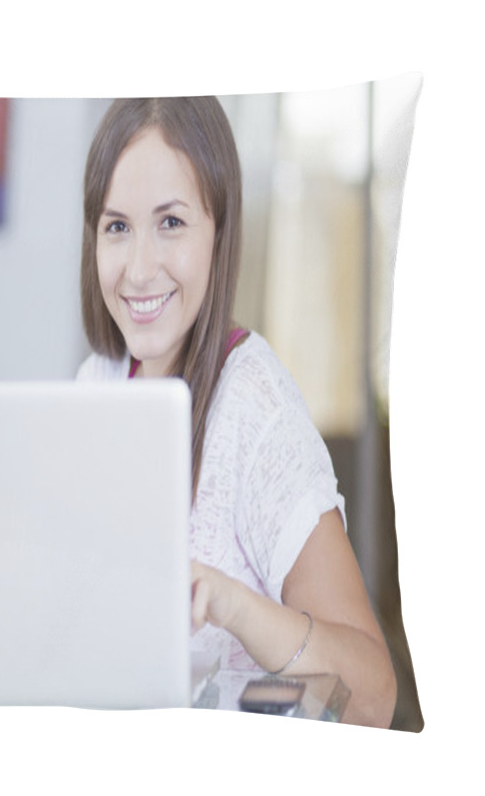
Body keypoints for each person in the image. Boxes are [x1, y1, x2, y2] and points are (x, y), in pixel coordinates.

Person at [76, 96, 397, 728]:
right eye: (117, 227)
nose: (139, 269)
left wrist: (235, 605)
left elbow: (375, 696)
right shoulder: (100, 380)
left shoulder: (254, 407)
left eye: (170, 223)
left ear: (219, 231)